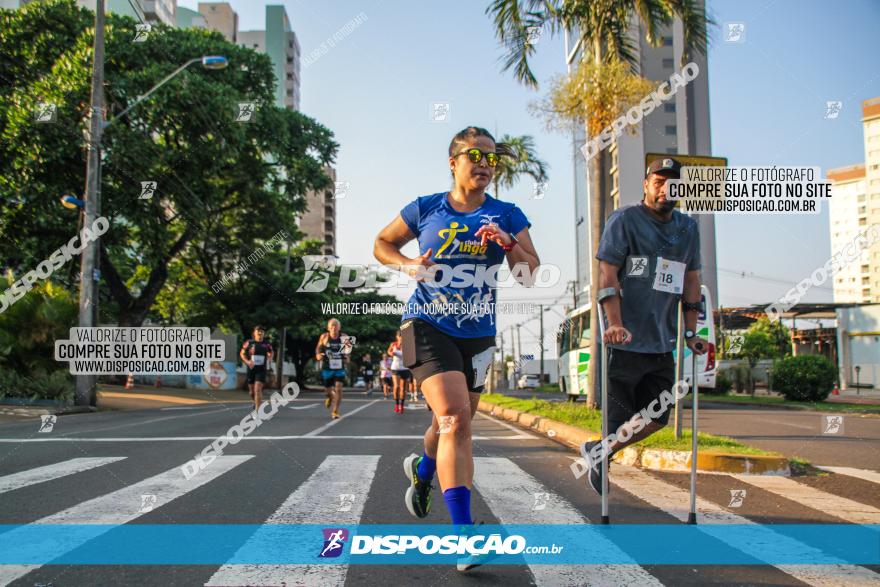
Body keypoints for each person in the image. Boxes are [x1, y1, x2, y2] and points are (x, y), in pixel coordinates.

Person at [373, 126, 539, 571]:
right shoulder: (426, 207)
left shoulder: (507, 214)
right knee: (456, 421)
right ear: (453, 162)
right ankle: (465, 538)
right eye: (474, 155)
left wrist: (510, 245)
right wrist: (408, 264)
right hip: (425, 324)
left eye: (490, 158)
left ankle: (424, 471)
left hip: (478, 334)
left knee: (449, 425)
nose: (484, 164)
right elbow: (381, 243)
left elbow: (527, 274)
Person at [579, 157, 708, 496]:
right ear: (646, 184)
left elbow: (692, 281)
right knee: (618, 421)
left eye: (673, 183)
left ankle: (600, 450)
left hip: (662, 342)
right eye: (659, 181)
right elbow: (607, 274)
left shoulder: (688, 228)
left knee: (658, 416)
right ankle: (602, 459)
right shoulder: (624, 221)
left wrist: (692, 332)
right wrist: (615, 323)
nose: (666, 188)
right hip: (624, 342)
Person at [315, 318, 350, 420]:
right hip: (327, 367)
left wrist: (347, 357)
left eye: (336, 326)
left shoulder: (344, 337)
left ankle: (335, 411)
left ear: (339, 327)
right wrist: (318, 355)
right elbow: (318, 349)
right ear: (328, 328)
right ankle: (329, 397)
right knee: (328, 391)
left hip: (339, 367)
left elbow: (348, 351)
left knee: (338, 388)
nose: (334, 328)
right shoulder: (324, 337)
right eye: (332, 326)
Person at [239, 325, 273, 411]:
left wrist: (270, 358)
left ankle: (257, 410)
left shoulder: (266, 344)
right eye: (258, 331)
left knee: (257, 389)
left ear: (264, 333)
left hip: (261, 369)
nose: (260, 332)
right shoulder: (249, 343)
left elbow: (271, 352)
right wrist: (247, 362)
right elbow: (242, 353)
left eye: (262, 331)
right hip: (251, 369)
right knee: (252, 392)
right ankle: (255, 402)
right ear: (254, 333)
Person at [387, 332, 411, 413]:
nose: (401, 337)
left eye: (402, 336)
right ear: (397, 337)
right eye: (399, 336)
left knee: (403, 389)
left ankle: (402, 405)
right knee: (396, 387)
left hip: (404, 368)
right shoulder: (393, 344)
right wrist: (391, 353)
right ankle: (397, 404)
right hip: (395, 368)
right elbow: (388, 352)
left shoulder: (407, 345)